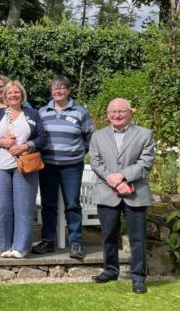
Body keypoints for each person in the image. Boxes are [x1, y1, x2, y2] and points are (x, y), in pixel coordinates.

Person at [89, 98, 154, 294]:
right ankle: (110, 270)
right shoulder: (98, 136)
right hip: (107, 192)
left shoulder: (144, 134)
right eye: (112, 112)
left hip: (135, 193)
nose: (116, 115)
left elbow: (146, 161)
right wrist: (113, 179)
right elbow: (95, 161)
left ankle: (138, 277)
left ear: (130, 113)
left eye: (121, 112)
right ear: (107, 114)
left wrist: (124, 176)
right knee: (108, 235)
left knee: (137, 238)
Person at [33, 76, 94, 259]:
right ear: (51, 91)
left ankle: (76, 243)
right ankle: (48, 241)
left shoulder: (80, 112)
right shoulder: (43, 112)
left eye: (62, 88)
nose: (58, 91)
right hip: (48, 166)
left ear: (68, 90)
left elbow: (90, 137)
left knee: (73, 204)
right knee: (48, 205)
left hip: (72, 166)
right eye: (55, 88)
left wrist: (77, 154)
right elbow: (38, 135)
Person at [0, 80, 45, 258]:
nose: (13, 95)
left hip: (24, 166)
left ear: (22, 95)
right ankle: (4, 245)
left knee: (23, 207)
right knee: (1, 207)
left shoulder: (32, 114)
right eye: (9, 93)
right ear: (5, 96)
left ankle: (21, 247)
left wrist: (25, 146)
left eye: (16, 92)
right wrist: (0, 142)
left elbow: (42, 138)